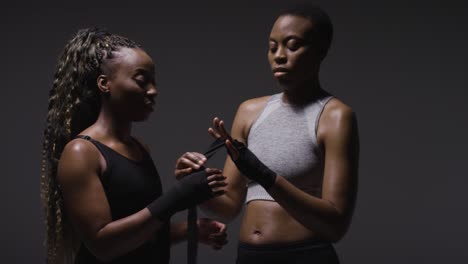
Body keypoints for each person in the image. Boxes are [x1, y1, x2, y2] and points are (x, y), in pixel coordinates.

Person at [175, 5, 359, 264]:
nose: (279, 56)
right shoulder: (249, 112)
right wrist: (195, 186)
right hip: (250, 256)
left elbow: (335, 225)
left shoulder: (335, 116)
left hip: (306, 256)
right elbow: (228, 206)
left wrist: (264, 174)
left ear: (321, 51)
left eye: (292, 46)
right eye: (272, 48)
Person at [40, 28, 228, 264]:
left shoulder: (139, 148)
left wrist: (191, 230)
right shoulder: (82, 152)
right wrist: (178, 196)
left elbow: (139, 233)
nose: (153, 91)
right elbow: (104, 244)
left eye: (154, 82)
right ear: (104, 83)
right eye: (141, 81)